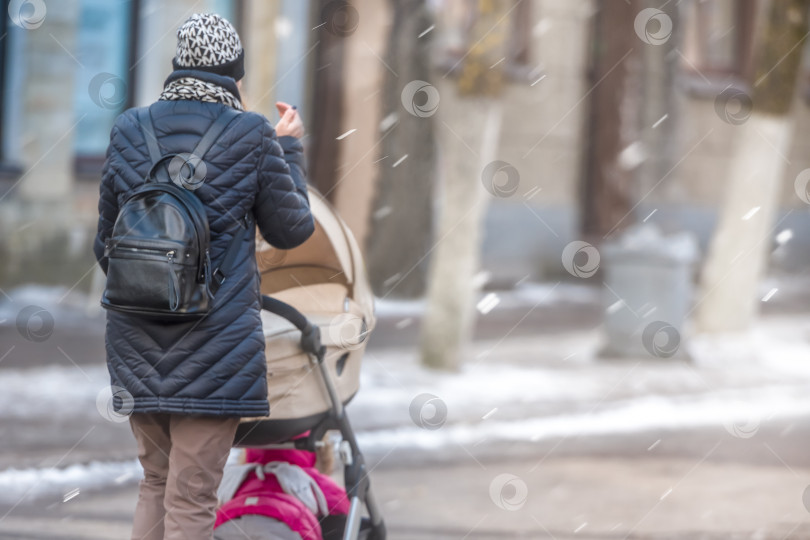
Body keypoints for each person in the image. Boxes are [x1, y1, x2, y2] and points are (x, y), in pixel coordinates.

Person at [93, 13, 314, 540]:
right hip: (216, 349)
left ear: (178, 66)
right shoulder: (252, 133)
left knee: (156, 483)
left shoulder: (129, 128)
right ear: (233, 74)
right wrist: (289, 148)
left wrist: (156, 290)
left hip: (136, 343)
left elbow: (107, 245)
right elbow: (292, 230)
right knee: (192, 497)